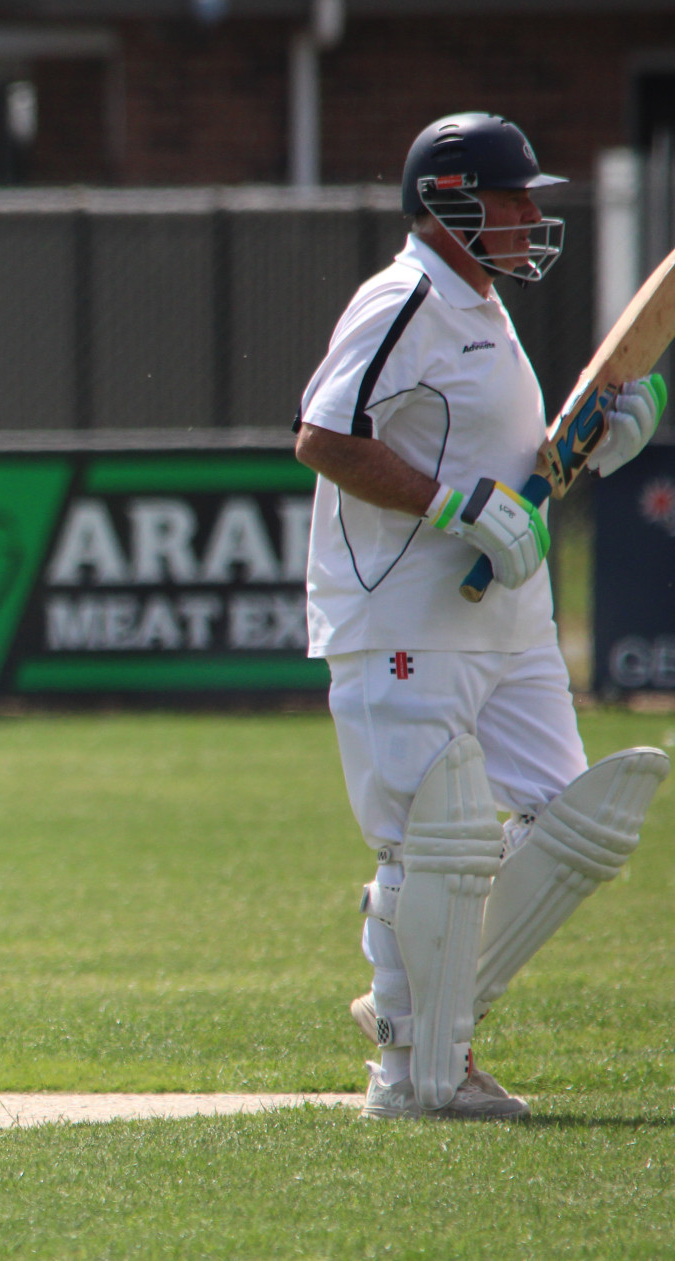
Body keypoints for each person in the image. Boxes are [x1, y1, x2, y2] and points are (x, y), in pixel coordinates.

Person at [294, 112, 669, 1120]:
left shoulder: (481, 303)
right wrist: (446, 507)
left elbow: (508, 468)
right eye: (508, 199)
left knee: (576, 823)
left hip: (508, 616)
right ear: (448, 202)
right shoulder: (402, 297)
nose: (523, 217)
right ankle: (413, 1069)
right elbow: (323, 437)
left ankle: (410, 1008)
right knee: (431, 843)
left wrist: (590, 442)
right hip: (405, 613)